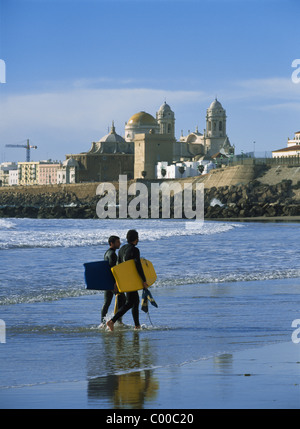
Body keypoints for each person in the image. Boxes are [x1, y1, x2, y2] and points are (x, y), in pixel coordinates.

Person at [106, 230, 148, 331]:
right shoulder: (135, 250)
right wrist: (144, 280)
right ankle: (112, 321)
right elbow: (138, 266)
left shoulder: (122, 249)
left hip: (123, 278)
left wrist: (117, 280)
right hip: (131, 279)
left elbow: (118, 266)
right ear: (136, 238)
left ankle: (137, 326)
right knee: (130, 302)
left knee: (135, 301)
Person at [100, 235, 125, 327]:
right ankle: (118, 321)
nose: (120, 243)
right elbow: (113, 269)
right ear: (111, 243)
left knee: (106, 302)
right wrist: (115, 282)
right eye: (118, 242)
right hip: (112, 282)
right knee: (122, 299)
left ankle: (102, 323)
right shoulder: (113, 254)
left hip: (107, 281)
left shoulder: (106, 253)